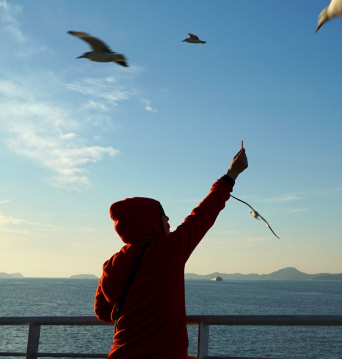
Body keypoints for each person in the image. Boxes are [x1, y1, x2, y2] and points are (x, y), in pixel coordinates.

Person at [94, 145, 248, 358]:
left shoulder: (113, 263)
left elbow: (102, 312)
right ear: (149, 221)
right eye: (162, 214)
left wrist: (137, 312)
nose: (168, 219)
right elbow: (202, 216)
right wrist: (232, 174)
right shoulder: (167, 252)